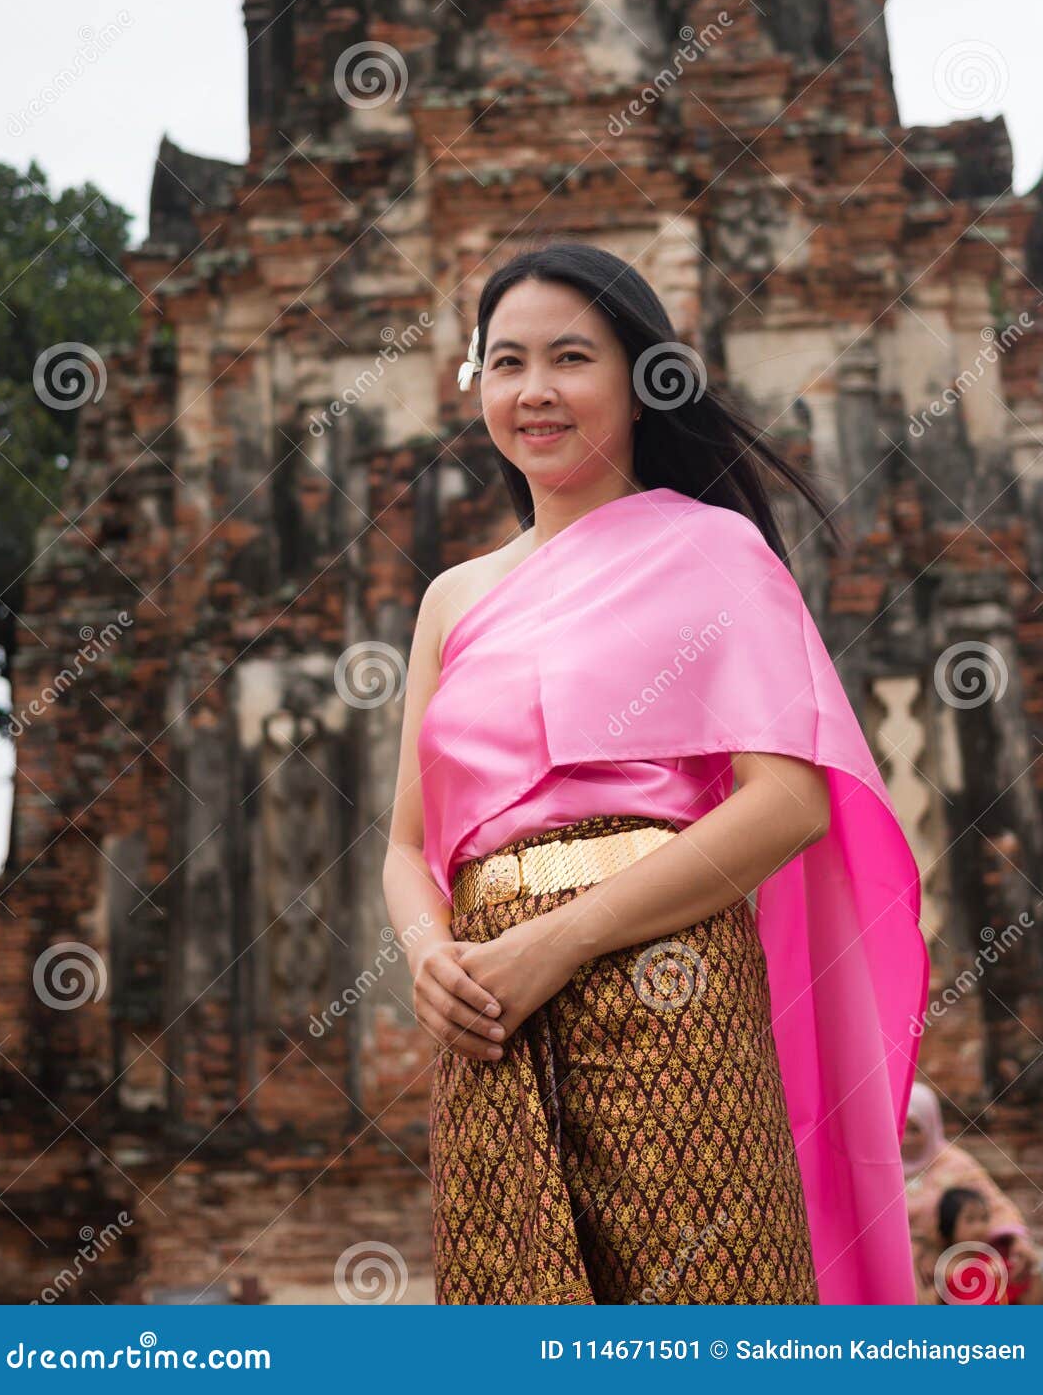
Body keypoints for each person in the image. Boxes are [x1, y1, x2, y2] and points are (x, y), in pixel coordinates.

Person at [382, 237, 928, 1305]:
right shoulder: (451, 596)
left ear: (640, 383)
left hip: (668, 993)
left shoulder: (715, 551)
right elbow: (406, 846)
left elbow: (789, 802)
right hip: (487, 1014)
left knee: (702, 1314)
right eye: (504, 362)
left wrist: (562, 939)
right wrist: (425, 958)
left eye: (570, 358)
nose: (533, 391)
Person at [903, 1082, 1043, 1304]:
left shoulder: (955, 1164)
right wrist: (917, 1250)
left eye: (916, 1129)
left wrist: (1018, 1241)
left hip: (954, 1256)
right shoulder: (874, 1168)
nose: (907, 1138)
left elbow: (994, 1205)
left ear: (931, 1126)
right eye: (901, 1127)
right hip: (905, 1264)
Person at [934, 1188, 1008, 1304]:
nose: (980, 1228)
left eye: (984, 1218)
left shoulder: (993, 1259)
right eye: (970, 1220)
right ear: (949, 1224)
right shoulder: (941, 1271)